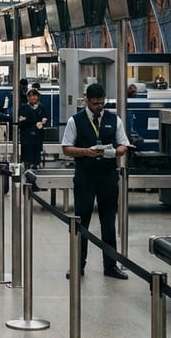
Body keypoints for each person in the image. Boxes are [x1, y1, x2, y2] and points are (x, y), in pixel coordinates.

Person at [60, 82, 129, 279]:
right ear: (87, 101)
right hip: (85, 176)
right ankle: (78, 265)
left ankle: (110, 266)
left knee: (108, 222)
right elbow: (66, 148)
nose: (99, 106)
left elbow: (124, 145)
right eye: (96, 103)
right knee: (81, 222)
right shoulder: (76, 121)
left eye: (102, 102)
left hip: (107, 176)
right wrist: (85, 152)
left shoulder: (113, 119)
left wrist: (116, 151)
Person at [17, 88, 48, 170]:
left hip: (38, 135)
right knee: (26, 152)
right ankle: (27, 167)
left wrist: (43, 122)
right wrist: (34, 122)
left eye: (34, 96)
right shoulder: (23, 107)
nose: (32, 98)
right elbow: (21, 121)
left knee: (36, 151)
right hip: (26, 135)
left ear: (37, 97)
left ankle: (36, 165)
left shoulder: (42, 108)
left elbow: (45, 118)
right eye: (29, 96)